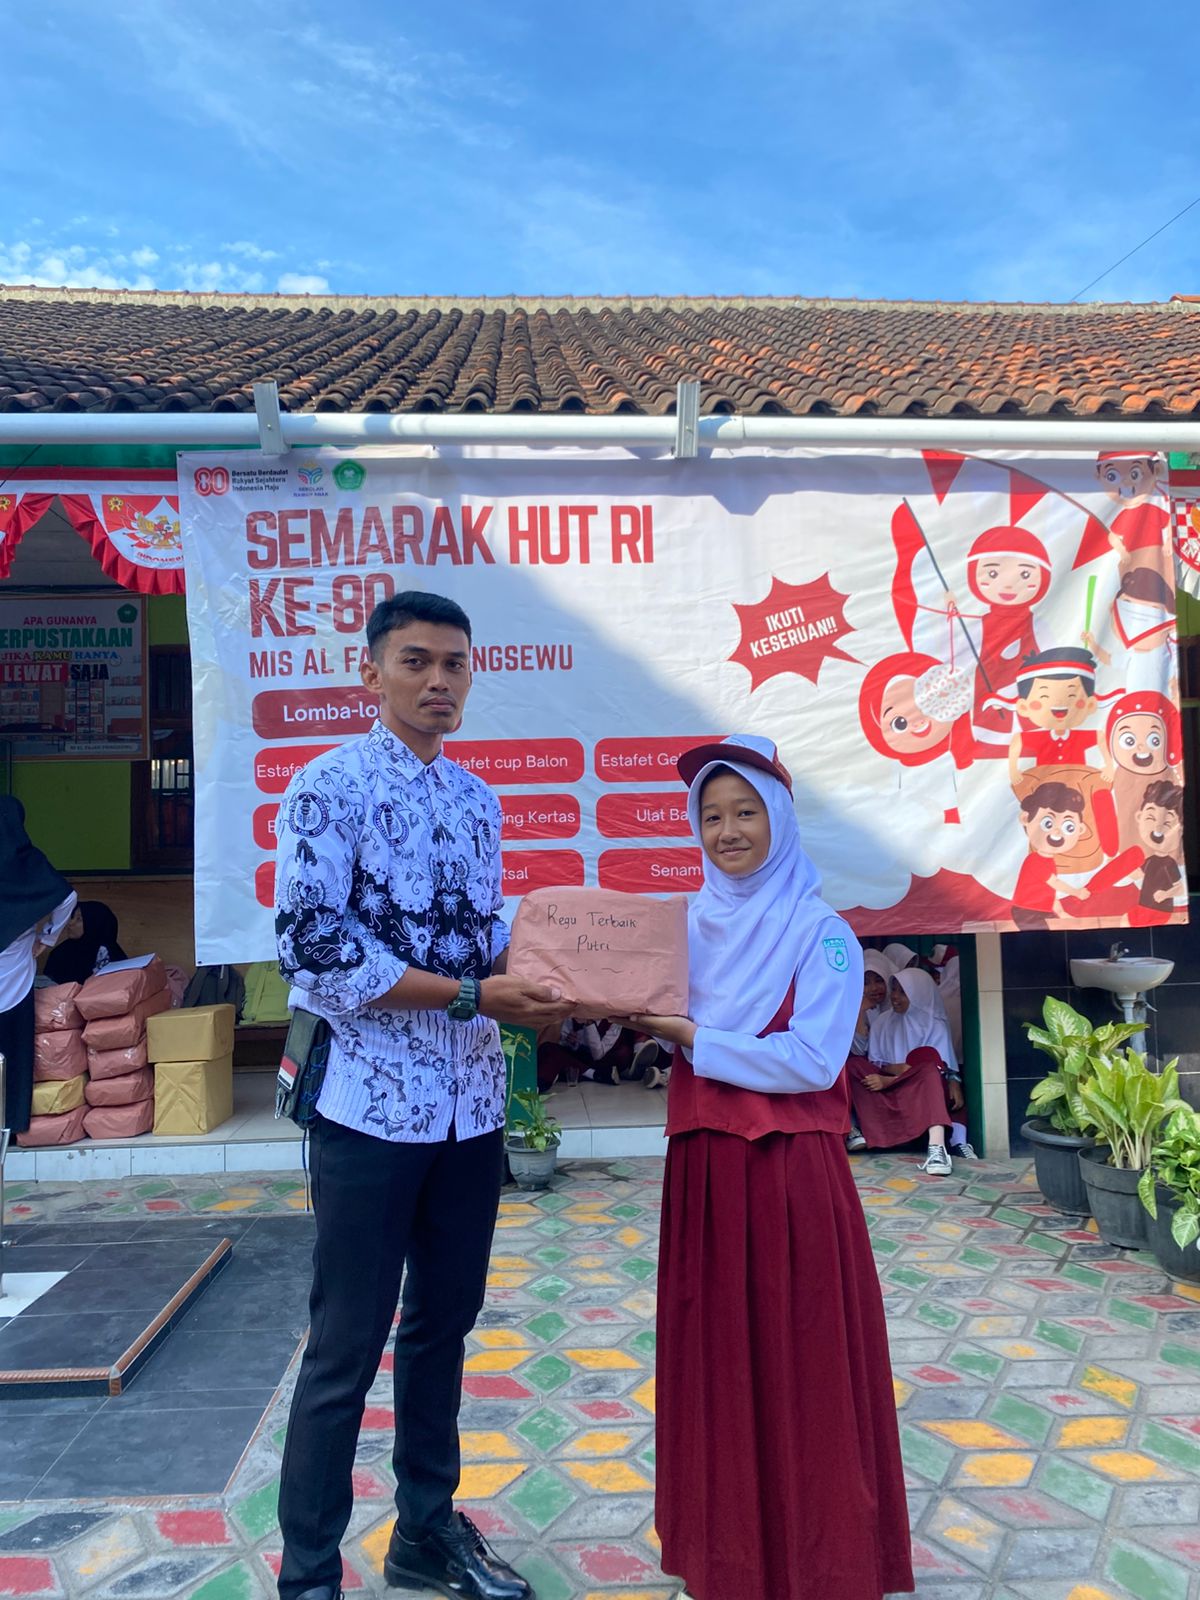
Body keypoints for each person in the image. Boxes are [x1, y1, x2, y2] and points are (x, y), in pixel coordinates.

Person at [272, 592, 573, 1600]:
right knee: (345, 1348)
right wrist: (475, 993)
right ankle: (309, 1575)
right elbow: (314, 949)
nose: (438, 680)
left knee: (443, 1328)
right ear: (372, 673)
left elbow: (479, 942)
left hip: (470, 1109)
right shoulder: (327, 787)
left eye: (454, 663)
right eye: (416, 661)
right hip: (369, 1107)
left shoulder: (478, 800)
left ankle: (425, 1534)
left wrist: (556, 980)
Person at [630, 734, 912, 1600]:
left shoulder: (821, 934)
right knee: (718, 1362)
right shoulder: (681, 928)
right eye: (711, 816)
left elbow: (814, 1062)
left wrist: (693, 1038)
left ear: (780, 820)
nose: (728, 832)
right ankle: (730, 1562)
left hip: (789, 1178)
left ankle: (823, 1563)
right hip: (706, 1175)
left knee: (803, 1361)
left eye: (746, 812)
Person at [0, 797, 77, 1133]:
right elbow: (67, 898)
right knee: (14, 1051)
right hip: (15, 973)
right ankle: (10, 1124)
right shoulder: (28, 863)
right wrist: (46, 939)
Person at [850, 969, 965, 1176]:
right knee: (854, 1065)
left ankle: (937, 1148)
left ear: (918, 994)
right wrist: (895, 1072)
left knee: (929, 1072)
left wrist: (893, 1078)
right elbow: (877, 1063)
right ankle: (856, 1130)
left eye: (903, 992)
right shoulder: (883, 1021)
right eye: (894, 990)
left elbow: (938, 1066)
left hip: (918, 1091)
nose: (894, 996)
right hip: (888, 1088)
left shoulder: (934, 1025)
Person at [847, 950, 894, 1153]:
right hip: (866, 1070)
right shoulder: (855, 1007)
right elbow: (859, 1049)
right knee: (853, 1066)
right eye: (866, 983)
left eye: (879, 980)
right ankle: (853, 1128)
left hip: (894, 1070)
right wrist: (860, 1011)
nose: (874, 988)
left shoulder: (900, 1005)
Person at [42, 899, 127, 985]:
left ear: (94, 923)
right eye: (72, 917)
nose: (70, 923)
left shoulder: (112, 956)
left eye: (78, 919)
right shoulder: (60, 953)